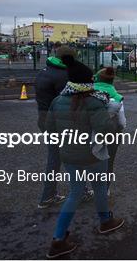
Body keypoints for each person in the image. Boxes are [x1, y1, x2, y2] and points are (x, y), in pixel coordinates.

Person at [45, 59, 124, 259]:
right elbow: (105, 130)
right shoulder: (95, 102)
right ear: (87, 82)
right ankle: (105, 221)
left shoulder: (57, 100)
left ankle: (58, 239)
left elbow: (50, 129)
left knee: (75, 193)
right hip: (93, 155)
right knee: (99, 186)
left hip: (69, 155)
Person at [35, 46, 93, 209]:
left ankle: (48, 196)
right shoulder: (63, 76)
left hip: (45, 120)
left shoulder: (44, 71)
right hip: (61, 124)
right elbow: (72, 101)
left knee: (54, 159)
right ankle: (81, 192)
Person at [93, 67, 126, 194]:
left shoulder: (88, 94)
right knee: (109, 161)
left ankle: (90, 187)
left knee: (91, 160)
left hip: (92, 133)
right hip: (112, 134)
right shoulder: (117, 98)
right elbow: (122, 121)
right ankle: (105, 189)